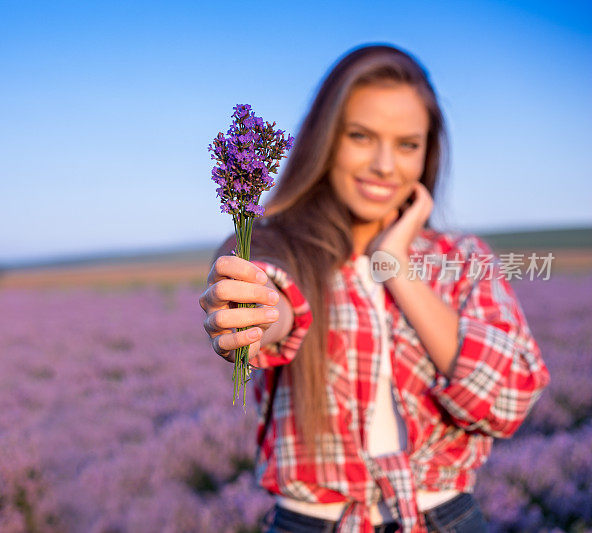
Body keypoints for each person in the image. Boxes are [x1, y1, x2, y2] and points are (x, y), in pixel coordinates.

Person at [199, 43, 551, 533]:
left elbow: (510, 398)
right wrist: (258, 312)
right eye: (361, 136)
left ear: (429, 152)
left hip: (447, 518)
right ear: (326, 141)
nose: (385, 165)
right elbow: (279, 303)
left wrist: (396, 267)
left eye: (407, 144)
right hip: (315, 522)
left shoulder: (462, 258)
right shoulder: (279, 246)